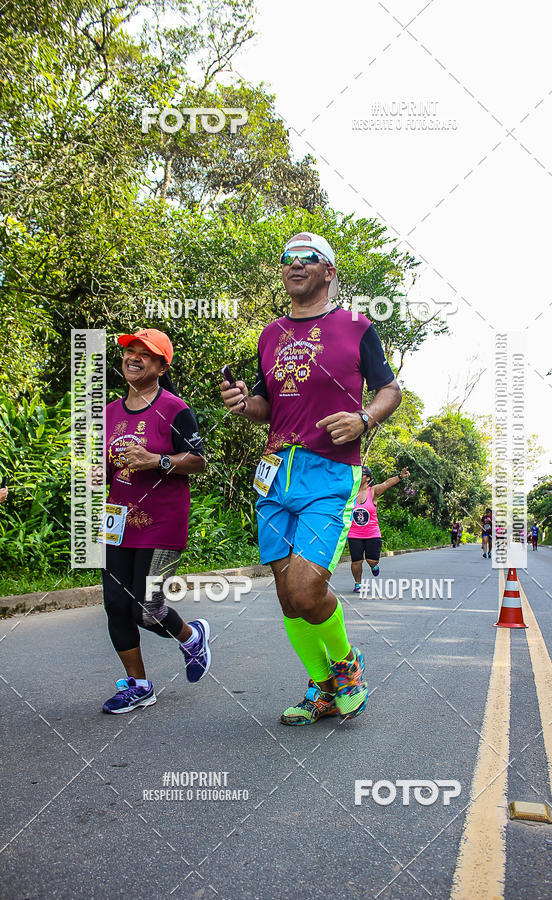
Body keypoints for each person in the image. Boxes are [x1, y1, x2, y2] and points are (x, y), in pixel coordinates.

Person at [220, 232, 401, 726]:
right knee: (285, 597)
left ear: (329, 272)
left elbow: (390, 388)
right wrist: (243, 403)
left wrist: (365, 419)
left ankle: (347, 666)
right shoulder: (269, 334)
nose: (295, 264)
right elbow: (265, 407)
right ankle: (322, 690)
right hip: (275, 474)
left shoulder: (357, 327)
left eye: (308, 258)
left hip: (330, 473)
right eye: (287, 258)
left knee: (305, 590)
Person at [101, 328, 210, 714]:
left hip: (163, 525)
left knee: (147, 609)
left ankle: (192, 637)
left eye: (144, 353)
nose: (133, 357)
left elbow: (198, 462)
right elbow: (105, 465)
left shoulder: (175, 410)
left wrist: (158, 460)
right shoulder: (109, 412)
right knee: (116, 604)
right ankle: (138, 684)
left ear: (162, 365)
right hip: (118, 523)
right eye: (130, 350)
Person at [347, 465, 410, 592]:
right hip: (354, 533)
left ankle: (374, 566)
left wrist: (400, 477)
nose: (358, 476)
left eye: (362, 474)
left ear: (368, 478)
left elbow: (386, 483)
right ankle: (357, 584)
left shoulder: (373, 491)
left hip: (372, 533)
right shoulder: (350, 492)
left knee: (371, 560)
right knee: (356, 561)